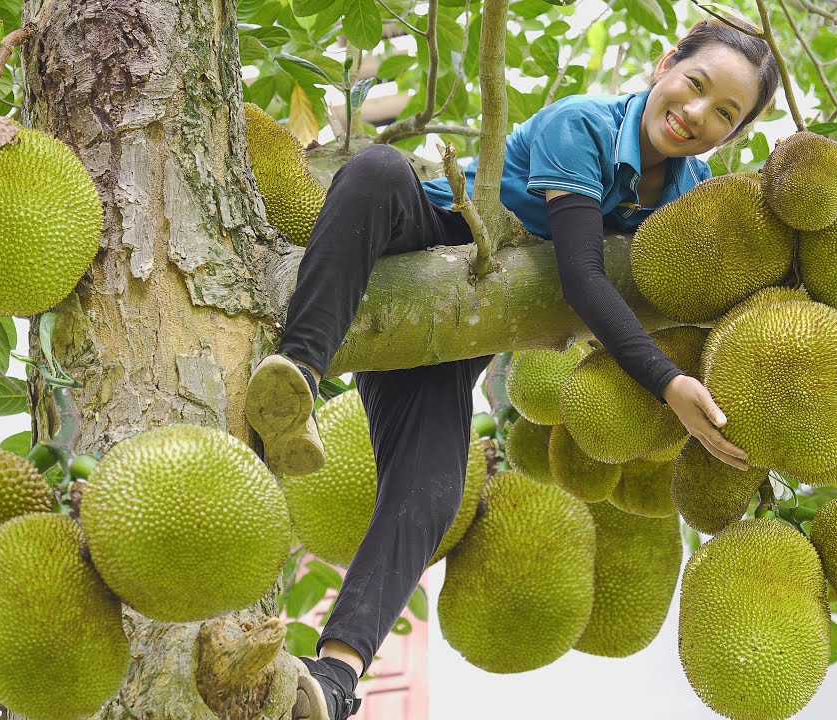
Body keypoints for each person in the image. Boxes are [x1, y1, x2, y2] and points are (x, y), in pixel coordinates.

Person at [244, 16, 781, 720]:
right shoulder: (582, 125)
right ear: (665, 65)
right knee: (377, 169)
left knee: (432, 494)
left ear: (733, 133)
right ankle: (297, 379)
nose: (697, 113)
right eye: (696, 84)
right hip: (426, 233)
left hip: (455, 347)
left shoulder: (693, 192)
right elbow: (582, 276)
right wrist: (667, 382)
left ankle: (338, 676)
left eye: (725, 114)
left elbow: (715, 281)